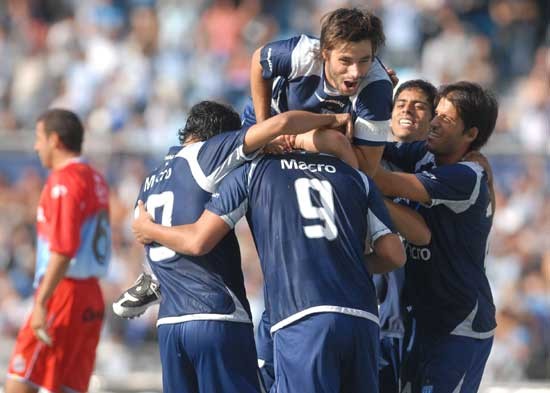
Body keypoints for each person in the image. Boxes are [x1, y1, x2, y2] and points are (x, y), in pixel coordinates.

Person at [118, 100, 355, 392]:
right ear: (221, 136)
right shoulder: (208, 154)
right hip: (217, 316)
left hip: (170, 325)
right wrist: (331, 119)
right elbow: (279, 124)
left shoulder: (150, 180)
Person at [132, 147, 409, 392]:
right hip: (362, 319)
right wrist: (344, 265)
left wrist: (149, 229)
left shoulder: (254, 171)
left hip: (301, 317)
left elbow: (197, 241)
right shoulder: (355, 176)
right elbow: (393, 255)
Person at [373, 81, 498, 393]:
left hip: (459, 326)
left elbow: (385, 181)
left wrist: (354, 178)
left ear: (471, 135)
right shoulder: (425, 154)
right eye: (437, 113)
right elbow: (370, 147)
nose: (435, 122)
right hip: (424, 324)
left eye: (448, 118)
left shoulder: (467, 176)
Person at [6, 109, 111, 393]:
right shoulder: (96, 179)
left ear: (55, 140)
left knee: (21, 378)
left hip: (63, 292)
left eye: (39, 138)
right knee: (66, 386)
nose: (36, 146)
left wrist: (41, 302)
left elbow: (64, 249)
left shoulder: (64, 181)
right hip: (91, 295)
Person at [245, 7, 393, 175]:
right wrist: (265, 129)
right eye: (345, 60)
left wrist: (298, 138)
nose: (356, 72)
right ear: (325, 54)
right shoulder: (302, 54)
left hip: (320, 144)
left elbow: (366, 170)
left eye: (364, 60)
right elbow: (259, 59)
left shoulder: (377, 87)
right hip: (273, 117)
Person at [373, 79, 437, 393]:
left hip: (421, 318)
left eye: (419, 105)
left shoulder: (436, 164)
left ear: (433, 118)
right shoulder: (375, 155)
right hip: (377, 317)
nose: (407, 110)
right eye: (400, 104)